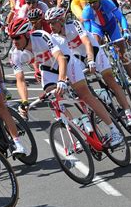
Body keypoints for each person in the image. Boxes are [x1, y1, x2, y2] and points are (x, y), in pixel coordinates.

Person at [8, 18, 124, 146]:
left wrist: (62, 80)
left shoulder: (41, 36)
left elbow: (61, 59)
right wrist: (24, 101)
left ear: (26, 34)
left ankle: (114, 130)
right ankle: (77, 127)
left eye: (17, 38)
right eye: (12, 38)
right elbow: (20, 80)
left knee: (85, 95)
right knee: (53, 99)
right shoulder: (14, 54)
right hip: (48, 67)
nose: (14, 41)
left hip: (66, 60)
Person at [45, 7, 131, 127]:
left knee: (109, 78)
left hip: (93, 52)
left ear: (61, 21)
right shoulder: (54, 38)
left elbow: (87, 42)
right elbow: (61, 58)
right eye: (48, 23)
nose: (50, 26)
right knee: (79, 89)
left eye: (53, 22)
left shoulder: (74, 25)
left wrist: (91, 60)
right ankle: (99, 95)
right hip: (78, 59)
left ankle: (128, 113)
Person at [81, 0, 131, 97]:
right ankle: (108, 66)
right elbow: (88, 31)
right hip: (97, 28)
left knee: (123, 54)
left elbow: (121, 17)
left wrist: (125, 31)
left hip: (111, 25)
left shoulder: (107, 3)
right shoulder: (86, 11)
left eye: (94, 1)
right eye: (89, 2)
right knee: (96, 45)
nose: (92, 4)